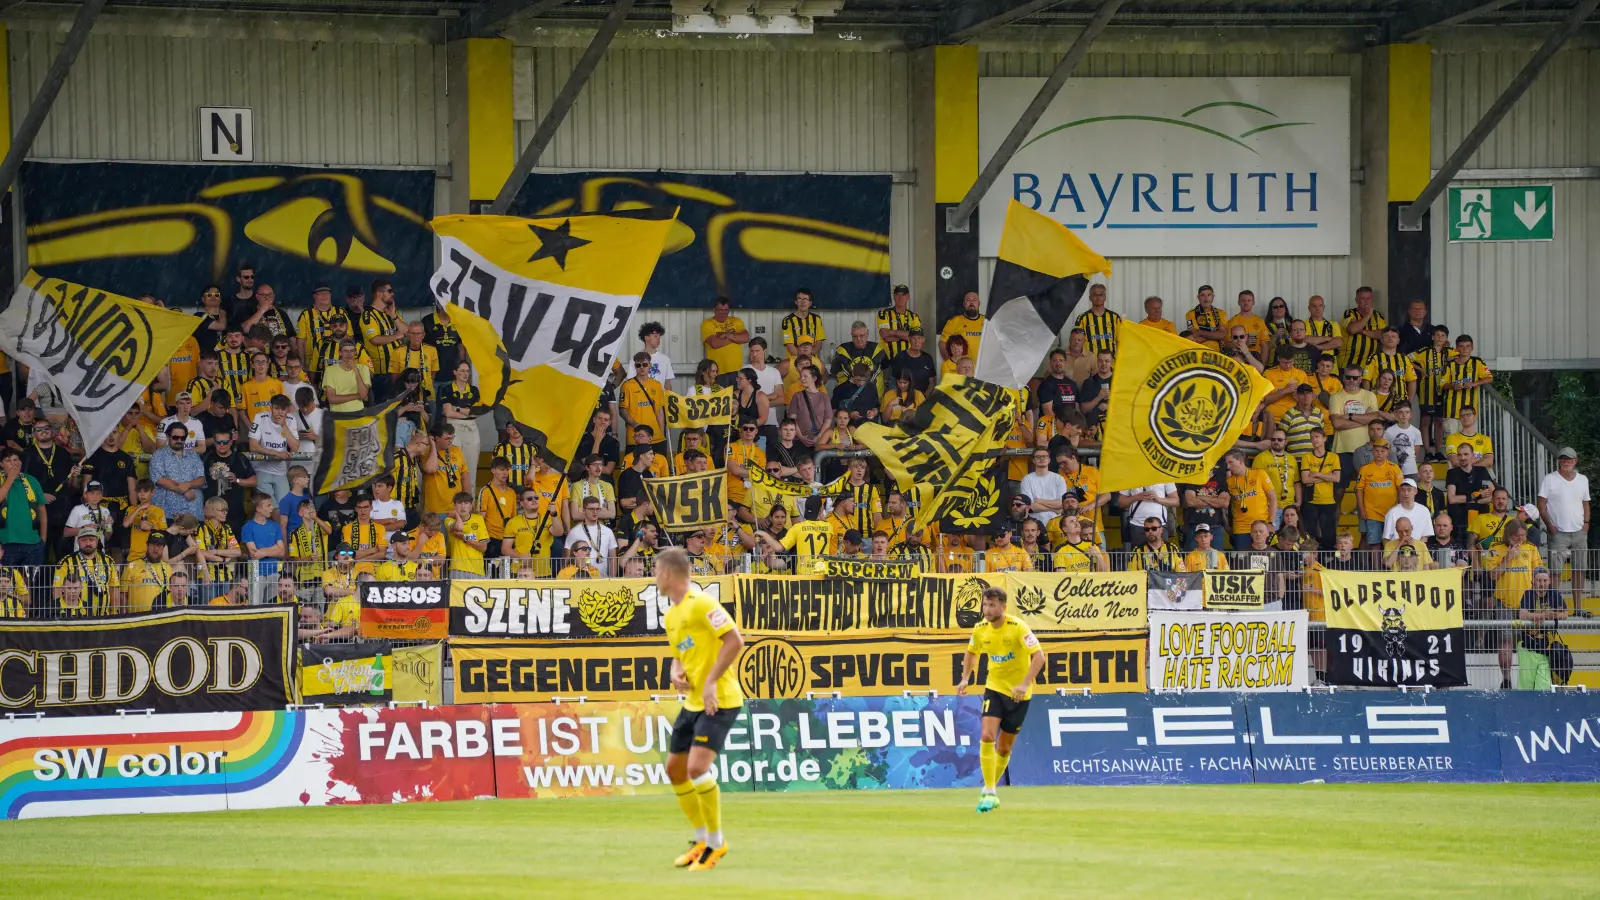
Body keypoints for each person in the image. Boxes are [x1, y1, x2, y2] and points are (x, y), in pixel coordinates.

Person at [956, 586, 1044, 813]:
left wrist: (1024, 684)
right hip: (994, 687)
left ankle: (990, 788)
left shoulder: (1018, 627)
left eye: (992, 605)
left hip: (1019, 694)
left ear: (1003, 607)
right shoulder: (980, 630)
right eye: (985, 605)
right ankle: (990, 790)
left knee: (1004, 748)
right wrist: (965, 678)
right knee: (986, 735)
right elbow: (971, 652)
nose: (987, 609)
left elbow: (1039, 657)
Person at [1486, 520, 1541, 688]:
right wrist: (1507, 559)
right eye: (1517, 536)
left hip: (1528, 603)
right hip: (1504, 602)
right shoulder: (1495, 550)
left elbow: (1539, 575)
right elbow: (1493, 576)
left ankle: (1534, 678)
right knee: (1505, 641)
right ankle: (1507, 678)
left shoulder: (1531, 549)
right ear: (1508, 535)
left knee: (1533, 642)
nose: (1520, 539)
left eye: (1523, 535)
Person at [1538, 447, 1591, 606]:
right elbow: (1541, 504)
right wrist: (1549, 525)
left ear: (1575, 461)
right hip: (1558, 533)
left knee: (1579, 570)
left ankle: (1578, 608)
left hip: (1579, 532)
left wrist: (1586, 523)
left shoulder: (1583, 479)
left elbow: (1586, 504)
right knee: (1555, 572)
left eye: (1569, 459)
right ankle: (1554, 608)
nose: (1565, 462)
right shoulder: (1550, 478)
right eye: (1563, 459)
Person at [1518, 567, 1574, 688]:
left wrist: (1551, 615)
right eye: (1538, 580)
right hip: (1528, 648)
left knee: (1543, 687)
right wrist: (1543, 615)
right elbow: (1522, 614)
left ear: (1549, 581)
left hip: (1547, 648)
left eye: (1544, 580)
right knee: (1526, 688)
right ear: (1533, 581)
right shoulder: (1528, 594)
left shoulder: (1554, 594)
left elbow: (1564, 614)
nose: (1542, 584)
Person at [149, 422, 206, 524]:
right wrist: (185, 491)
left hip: (193, 513)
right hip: (167, 513)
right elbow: (160, 480)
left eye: (182, 438)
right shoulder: (158, 455)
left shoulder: (194, 456)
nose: (179, 440)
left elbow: (201, 480)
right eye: (175, 437)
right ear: (167, 436)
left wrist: (188, 484)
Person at [440, 361, 481, 492]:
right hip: (453, 428)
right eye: (462, 370)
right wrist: (466, 412)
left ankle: (470, 506)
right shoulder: (447, 389)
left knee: (471, 468)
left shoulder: (474, 390)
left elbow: (475, 413)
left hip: (471, 428)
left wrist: (456, 409)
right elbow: (447, 412)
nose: (465, 374)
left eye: (467, 371)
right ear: (455, 372)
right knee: (453, 465)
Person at [1355, 438, 1403, 552]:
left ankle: (1390, 568)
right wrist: (1362, 509)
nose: (1379, 453)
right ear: (1372, 452)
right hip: (1372, 512)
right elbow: (1359, 489)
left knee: (1391, 543)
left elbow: (1401, 488)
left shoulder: (1394, 468)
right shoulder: (1365, 469)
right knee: (1374, 544)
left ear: (1387, 452)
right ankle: (1375, 569)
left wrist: (1400, 508)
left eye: (1383, 451)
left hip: (1391, 512)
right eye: (1377, 450)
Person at [1297, 427, 1340, 551]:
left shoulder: (1333, 457)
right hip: (1311, 502)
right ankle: (1310, 562)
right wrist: (1328, 477)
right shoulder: (1307, 457)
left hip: (1328, 501)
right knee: (1310, 535)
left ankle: (1330, 562)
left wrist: (1317, 474)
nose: (1314, 440)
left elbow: (1337, 478)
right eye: (1312, 438)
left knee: (1329, 536)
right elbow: (1305, 480)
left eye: (1316, 437)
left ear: (1324, 438)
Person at [1223, 450, 1275, 550]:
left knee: (1263, 559)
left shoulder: (1259, 474)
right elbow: (1225, 505)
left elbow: (1273, 499)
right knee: (1243, 562)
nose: (1228, 467)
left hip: (1261, 526)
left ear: (1240, 461)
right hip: (1241, 528)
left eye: (1231, 462)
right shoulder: (1229, 481)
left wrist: (1271, 522)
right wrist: (1227, 526)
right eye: (1227, 463)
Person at [1441, 335, 1493, 432]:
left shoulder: (1477, 362)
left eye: (1468, 346)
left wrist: (1474, 383)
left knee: (1468, 442)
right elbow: (1442, 384)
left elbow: (1489, 378)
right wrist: (1453, 386)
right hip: (1451, 411)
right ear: (1457, 348)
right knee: (1451, 443)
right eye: (1461, 346)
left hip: (1470, 412)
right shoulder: (1450, 364)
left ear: (1472, 348)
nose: (1465, 349)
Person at [241, 495, 285, 605]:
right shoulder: (248, 527)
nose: (272, 508)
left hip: (275, 572)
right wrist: (274, 548)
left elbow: (282, 551)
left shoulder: (275, 526)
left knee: (273, 607)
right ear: (258, 509)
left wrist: (263, 552)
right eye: (269, 505)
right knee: (255, 609)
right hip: (256, 573)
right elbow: (254, 554)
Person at [1446, 441, 1494, 538]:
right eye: (1459, 455)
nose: (1462, 458)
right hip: (1460, 522)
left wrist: (1467, 500)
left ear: (1472, 455)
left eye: (1466, 454)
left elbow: (1491, 497)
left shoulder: (1482, 471)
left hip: (1481, 520)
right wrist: (1476, 496)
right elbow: (1452, 499)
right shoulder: (1452, 473)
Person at [700, 296, 748, 382]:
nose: (723, 312)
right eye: (720, 310)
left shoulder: (736, 321)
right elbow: (714, 343)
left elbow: (745, 338)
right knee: (720, 395)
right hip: (717, 371)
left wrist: (727, 335)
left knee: (736, 395)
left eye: (726, 310)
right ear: (714, 310)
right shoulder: (707, 323)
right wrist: (735, 337)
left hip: (736, 369)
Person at [569, 495, 618, 577]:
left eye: (597, 509)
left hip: (602, 581)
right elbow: (567, 559)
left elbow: (613, 558)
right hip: (581, 581)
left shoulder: (608, 531)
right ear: (583, 510)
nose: (595, 512)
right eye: (591, 509)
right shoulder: (574, 532)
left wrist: (612, 580)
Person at [445, 491, 490, 579]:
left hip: (477, 569)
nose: (463, 506)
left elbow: (483, 547)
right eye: (459, 503)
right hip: (457, 568)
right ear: (454, 505)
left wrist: (465, 539)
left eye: (466, 503)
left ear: (471, 505)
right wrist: (457, 515)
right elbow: (459, 528)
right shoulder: (449, 520)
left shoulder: (478, 519)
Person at [1340, 285, 1386, 370]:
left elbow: (1382, 335)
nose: (1366, 301)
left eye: (1369, 298)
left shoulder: (1378, 315)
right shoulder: (1349, 313)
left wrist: (1362, 331)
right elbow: (1352, 329)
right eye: (1363, 298)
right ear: (1356, 300)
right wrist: (1368, 315)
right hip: (1349, 364)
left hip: (1370, 366)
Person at [1019, 449, 1068, 527]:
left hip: (1056, 523)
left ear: (1049, 460)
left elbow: (1061, 503)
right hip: (1034, 523)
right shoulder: (1027, 479)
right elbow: (1029, 506)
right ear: (1033, 460)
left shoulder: (1059, 479)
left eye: (1044, 456)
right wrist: (1053, 509)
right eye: (1038, 457)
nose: (1041, 459)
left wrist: (1039, 501)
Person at [321, 338, 370, 414]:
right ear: (340, 352)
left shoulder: (363, 369)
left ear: (355, 352)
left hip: (358, 413)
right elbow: (331, 399)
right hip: (337, 414)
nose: (349, 354)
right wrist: (357, 396)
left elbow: (363, 394)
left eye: (352, 351)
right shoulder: (330, 370)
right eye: (346, 351)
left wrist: (356, 371)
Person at [789, 365, 832, 450]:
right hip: (800, 440)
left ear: (814, 378)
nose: (802, 379)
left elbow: (828, 420)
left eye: (805, 376)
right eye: (801, 376)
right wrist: (801, 437)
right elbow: (792, 419)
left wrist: (819, 436)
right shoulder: (797, 396)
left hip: (820, 440)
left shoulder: (824, 397)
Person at [940, 291, 985, 365]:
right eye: (968, 300)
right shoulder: (954, 321)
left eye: (974, 300)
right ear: (964, 304)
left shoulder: (986, 321)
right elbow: (942, 343)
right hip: (963, 370)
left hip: (983, 368)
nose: (971, 303)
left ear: (979, 303)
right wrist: (951, 364)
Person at [889, 328, 937, 397]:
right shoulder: (900, 356)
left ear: (923, 339)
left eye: (919, 338)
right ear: (909, 339)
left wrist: (924, 398)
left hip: (922, 400)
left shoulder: (928, 358)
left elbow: (932, 382)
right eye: (914, 338)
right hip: (903, 399)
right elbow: (893, 381)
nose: (916, 341)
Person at [877, 284, 921, 358]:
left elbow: (915, 338)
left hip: (909, 359)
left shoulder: (914, 317)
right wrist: (906, 335)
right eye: (897, 295)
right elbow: (884, 335)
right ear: (894, 297)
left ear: (908, 297)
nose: (900, 298)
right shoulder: (884, 313)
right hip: (889, 358)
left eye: (903, 295)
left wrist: (894, 332)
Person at [780, 289, 826, 359]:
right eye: (800, 299)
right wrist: (802, 360)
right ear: (796, 302)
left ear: (810, 303)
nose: (803, 302)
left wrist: (809, 358)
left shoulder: (817, 319)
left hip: (811, 362)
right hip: (794, 362)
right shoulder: (788, 321)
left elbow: (819, 344)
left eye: (805, 299)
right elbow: (789, 345)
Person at [1383, 403, 1424, 479]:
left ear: (1411, 414)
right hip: (1392, 469)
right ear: (1395, 414)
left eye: (1407, 412)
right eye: (1401, 412)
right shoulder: (1389, 431)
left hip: (1411, 470)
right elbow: (1385, 449)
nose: (1404, 415)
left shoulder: (1416, 432)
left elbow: (1416, 451)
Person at [1227, 290, 1270, 356]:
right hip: (1238, 357)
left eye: (1249, 300)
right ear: (1238, 302)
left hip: (1255, 358)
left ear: (1253, 302)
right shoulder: (1232, 322)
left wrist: (1263, 364)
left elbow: (1264, 346)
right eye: (1243, 300)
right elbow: (1228, 345)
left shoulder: (1260, 321)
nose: (1246, 303)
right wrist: (1244, 344)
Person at [1185, 284, 1227, 350]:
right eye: (1202, 295)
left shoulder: (1221, 313)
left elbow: (1222, 335)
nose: (1206, 299)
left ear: (1213, 297)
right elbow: (1195, 333)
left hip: (1220, 352)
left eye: (1209, 295)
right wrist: (1216, 333)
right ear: (1198, 298)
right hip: (1201, 351)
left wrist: (1201, 333)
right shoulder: (1190, 314)